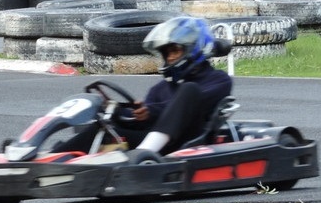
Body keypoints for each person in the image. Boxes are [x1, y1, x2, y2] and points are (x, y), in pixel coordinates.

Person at [56, 16, 233, 156]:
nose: (170, 58)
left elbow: (194, 103)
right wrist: (115, 110)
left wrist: (151, 112)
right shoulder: (161, 89)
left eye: (175, 51)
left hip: (188, 144)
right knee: (98, 129)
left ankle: (145, 153)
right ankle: (45, 161)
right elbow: (142, 121)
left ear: (194, 48)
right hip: (152, 144)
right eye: (166, 53)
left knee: (189, 89)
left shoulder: (218, 80)